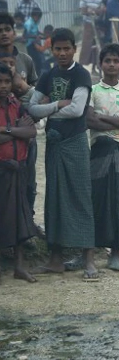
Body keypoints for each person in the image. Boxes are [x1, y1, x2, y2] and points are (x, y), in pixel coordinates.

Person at [27, 28, 99, 281]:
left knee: (80, 196)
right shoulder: (48, 75)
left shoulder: (81, 74)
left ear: (74, 48)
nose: (62, 53)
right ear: (51, 49)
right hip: (54, 143)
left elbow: (78, 109)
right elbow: (32, 108)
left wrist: (45, 111)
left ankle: (89, 258)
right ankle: (55, 259)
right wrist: (57, 105)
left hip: (76, 142)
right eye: (57, 49)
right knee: (54, 198)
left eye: (66, 48)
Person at [86, 44, 119, 272]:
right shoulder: (92, 90)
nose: (111, 64)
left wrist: (105, 119)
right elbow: (90, 121)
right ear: (101, 64)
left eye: (116, 61)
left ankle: (116, 253)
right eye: (107, 60)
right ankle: (89, 253)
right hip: (100, 149)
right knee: (97, 198)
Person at [0, 64, 38, 284]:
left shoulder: (18, 105)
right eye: (0, 82)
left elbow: (31, 131)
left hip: (18, 168)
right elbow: (22, 133)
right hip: (2, 168)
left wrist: (7, 131)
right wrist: (17, 132)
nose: (3, 86)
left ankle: (19, 267)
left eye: (6, 81)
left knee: (19, 217)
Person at [0, 13, 39, 226]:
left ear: (14, 33)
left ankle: (28, 223)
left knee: (27, 179)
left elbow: (38, 93)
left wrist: (22, 86)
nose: (3, 34)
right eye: (0, 30)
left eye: (7, 29)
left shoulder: (25, 60)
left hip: (25, 128)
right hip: (2, 131)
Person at [79, 0, 105, 73]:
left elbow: (101, 11)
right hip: (88, 25)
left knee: (98, 46)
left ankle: (96, 68)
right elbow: (83, 11)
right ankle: (80, 67)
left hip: (98, 25)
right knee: (86, 46)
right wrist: (94, 11)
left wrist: (91, 11)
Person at [23, 7, 43, 77]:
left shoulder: (35, 22)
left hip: (35, 44)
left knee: (40, 60)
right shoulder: (28, 23)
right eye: (37, 16)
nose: (38, 18)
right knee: (35, 60)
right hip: (29, 45)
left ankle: (38, 75)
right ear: (33, 15)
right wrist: (35, 37)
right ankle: (35, 76)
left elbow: (36, 31)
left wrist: (43, 34)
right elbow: (25, 34)